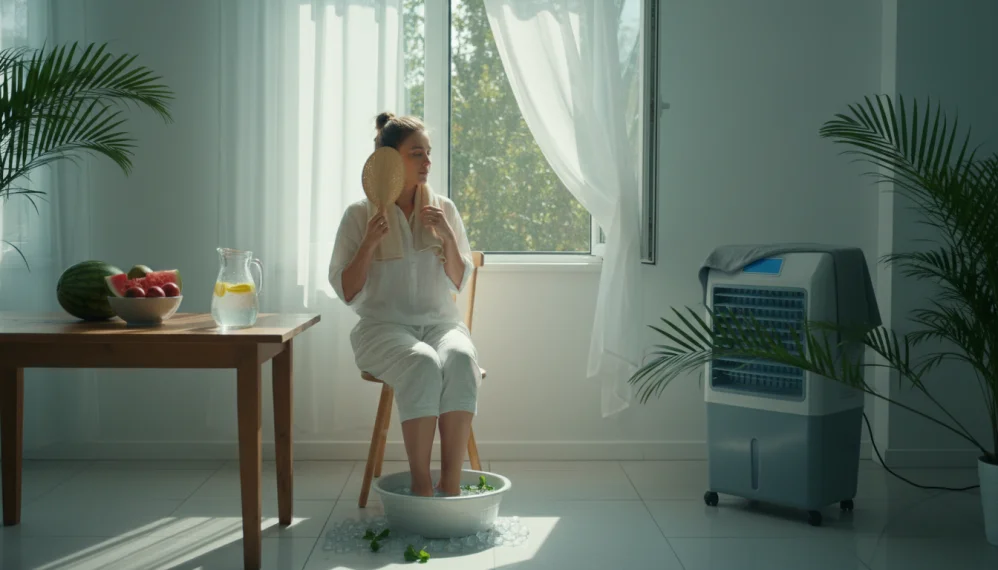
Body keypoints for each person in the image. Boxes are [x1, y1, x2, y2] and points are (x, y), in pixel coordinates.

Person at [329, 112, 481, 497]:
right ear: (391, 159)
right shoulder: (359, 215)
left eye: (428, 153)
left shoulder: (443, 209)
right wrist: (368, 244)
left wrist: (447, 236)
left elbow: (459, 280)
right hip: (381, 329)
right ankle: (421, 484)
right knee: (422, 362)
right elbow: (347, 291)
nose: (427, 161)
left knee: (461, 357)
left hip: (441, 325)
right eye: (417, 153)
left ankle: (451, 484)